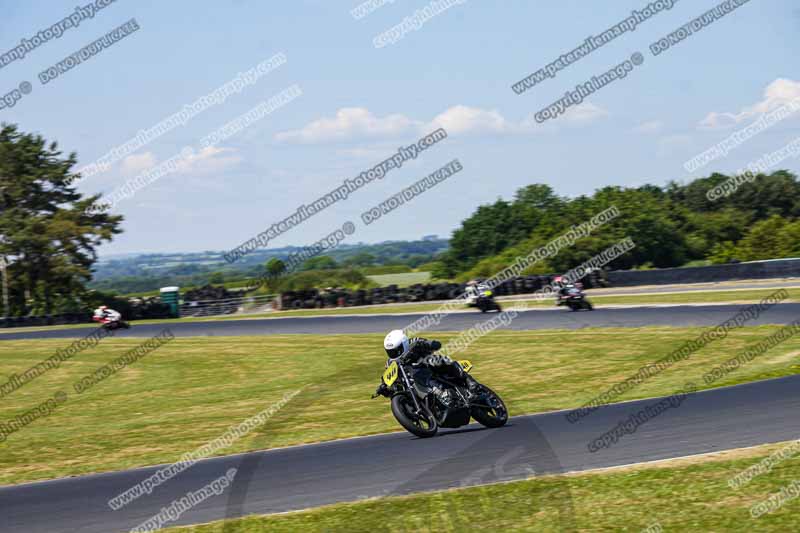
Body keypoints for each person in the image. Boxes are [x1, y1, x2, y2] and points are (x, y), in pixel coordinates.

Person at [375, 329, 475, 397]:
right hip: (417, 385)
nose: (393, 354)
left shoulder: (414, 342)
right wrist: (385, 389)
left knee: (434, 360)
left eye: (396, 350)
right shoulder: (390, 363)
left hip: (430, 371)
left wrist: (427, 345)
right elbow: (392, 382)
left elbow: (436, 344)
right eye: (390, 352)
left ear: (404, 344)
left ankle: (469, 381)